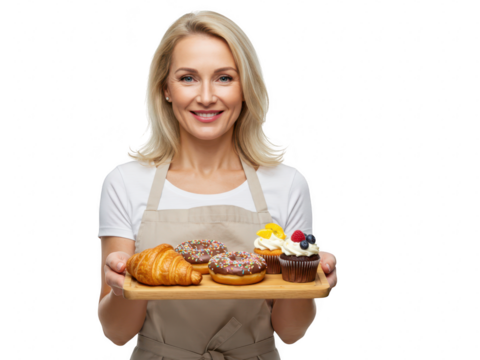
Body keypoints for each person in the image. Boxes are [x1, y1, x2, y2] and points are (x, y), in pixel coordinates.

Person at [96, 10, 338, 359]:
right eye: (188, 78)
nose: (207, 97)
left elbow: (290, 332)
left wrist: (306, 286)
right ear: (165, 88)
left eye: (224, 78)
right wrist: (121, 287)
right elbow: (117, 332)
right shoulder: (125, 181)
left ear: (245, 88)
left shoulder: (288, 183)